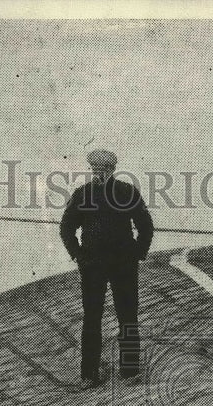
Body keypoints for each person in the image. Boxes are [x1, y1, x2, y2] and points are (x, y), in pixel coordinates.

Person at [60, 149, 154, 388]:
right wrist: (79, 256)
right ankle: (89, 374)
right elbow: (66, 228)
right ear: (92, 170)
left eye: (104, 170)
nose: (99, 175)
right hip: (93, 266)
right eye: (96, 170)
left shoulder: (126, 192)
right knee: (92, 318)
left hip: (123, 264)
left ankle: (130, 370)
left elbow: (145, 225)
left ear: (112, 170)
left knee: (127, 317)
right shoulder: (83, 194)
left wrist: (137, 253)